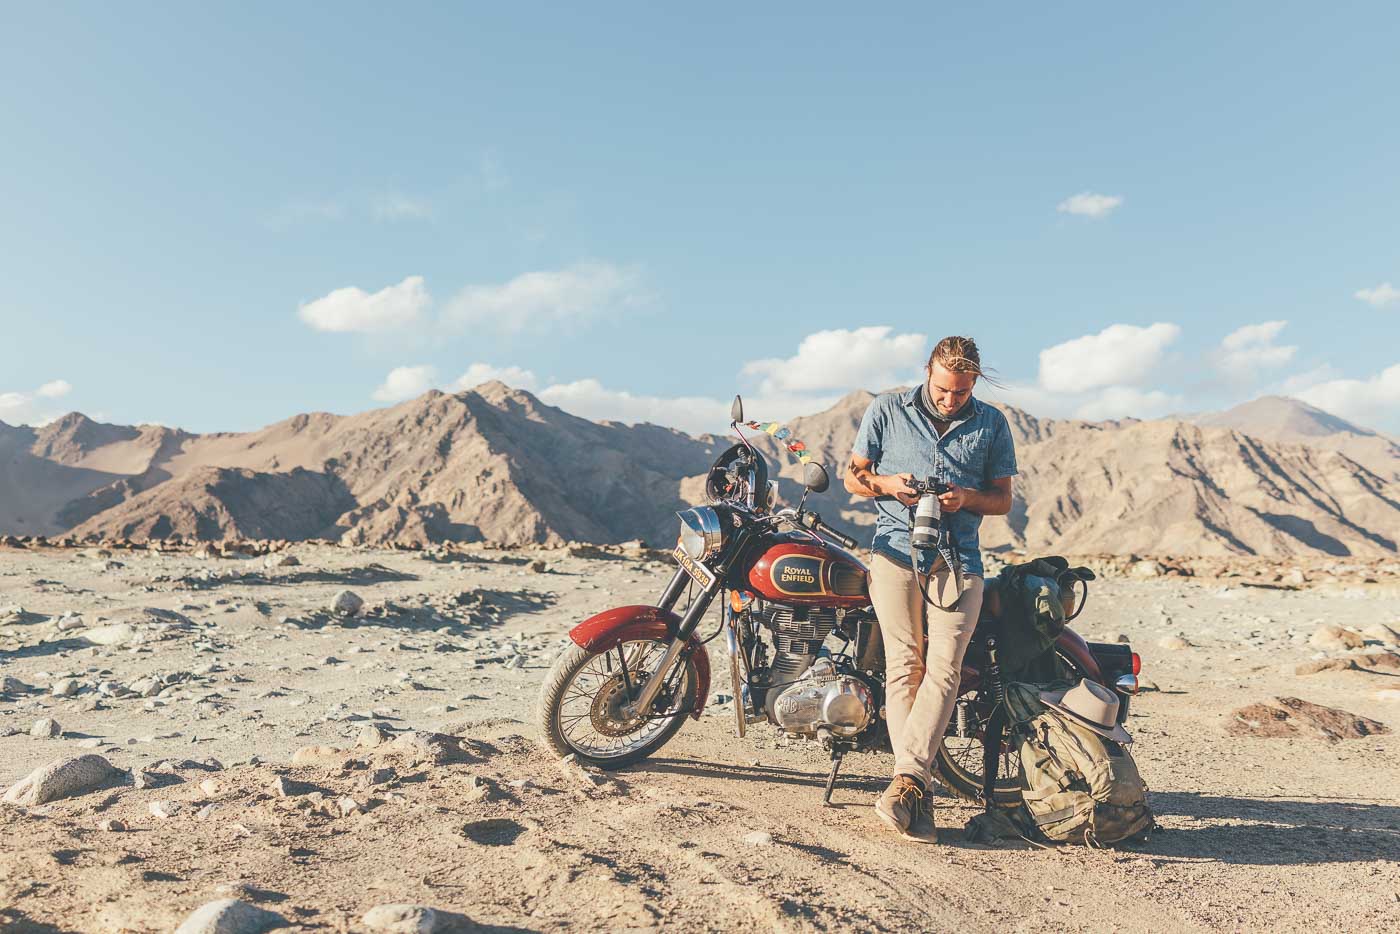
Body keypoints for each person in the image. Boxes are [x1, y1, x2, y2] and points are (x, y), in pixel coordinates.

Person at [844, 336, 1018, 837]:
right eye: (942, 389)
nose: (949, 400)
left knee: (946, 667)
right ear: (928, 372)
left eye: (960, 393)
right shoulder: (886, 409)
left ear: (975, 384)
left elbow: (1003, 500)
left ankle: (907, 784)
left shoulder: (992, 424)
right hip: (895, 550)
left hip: (959, 558)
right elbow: (853, 476)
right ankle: (912, 788)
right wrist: (887, 485)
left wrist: (966, 498)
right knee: (905, 663)